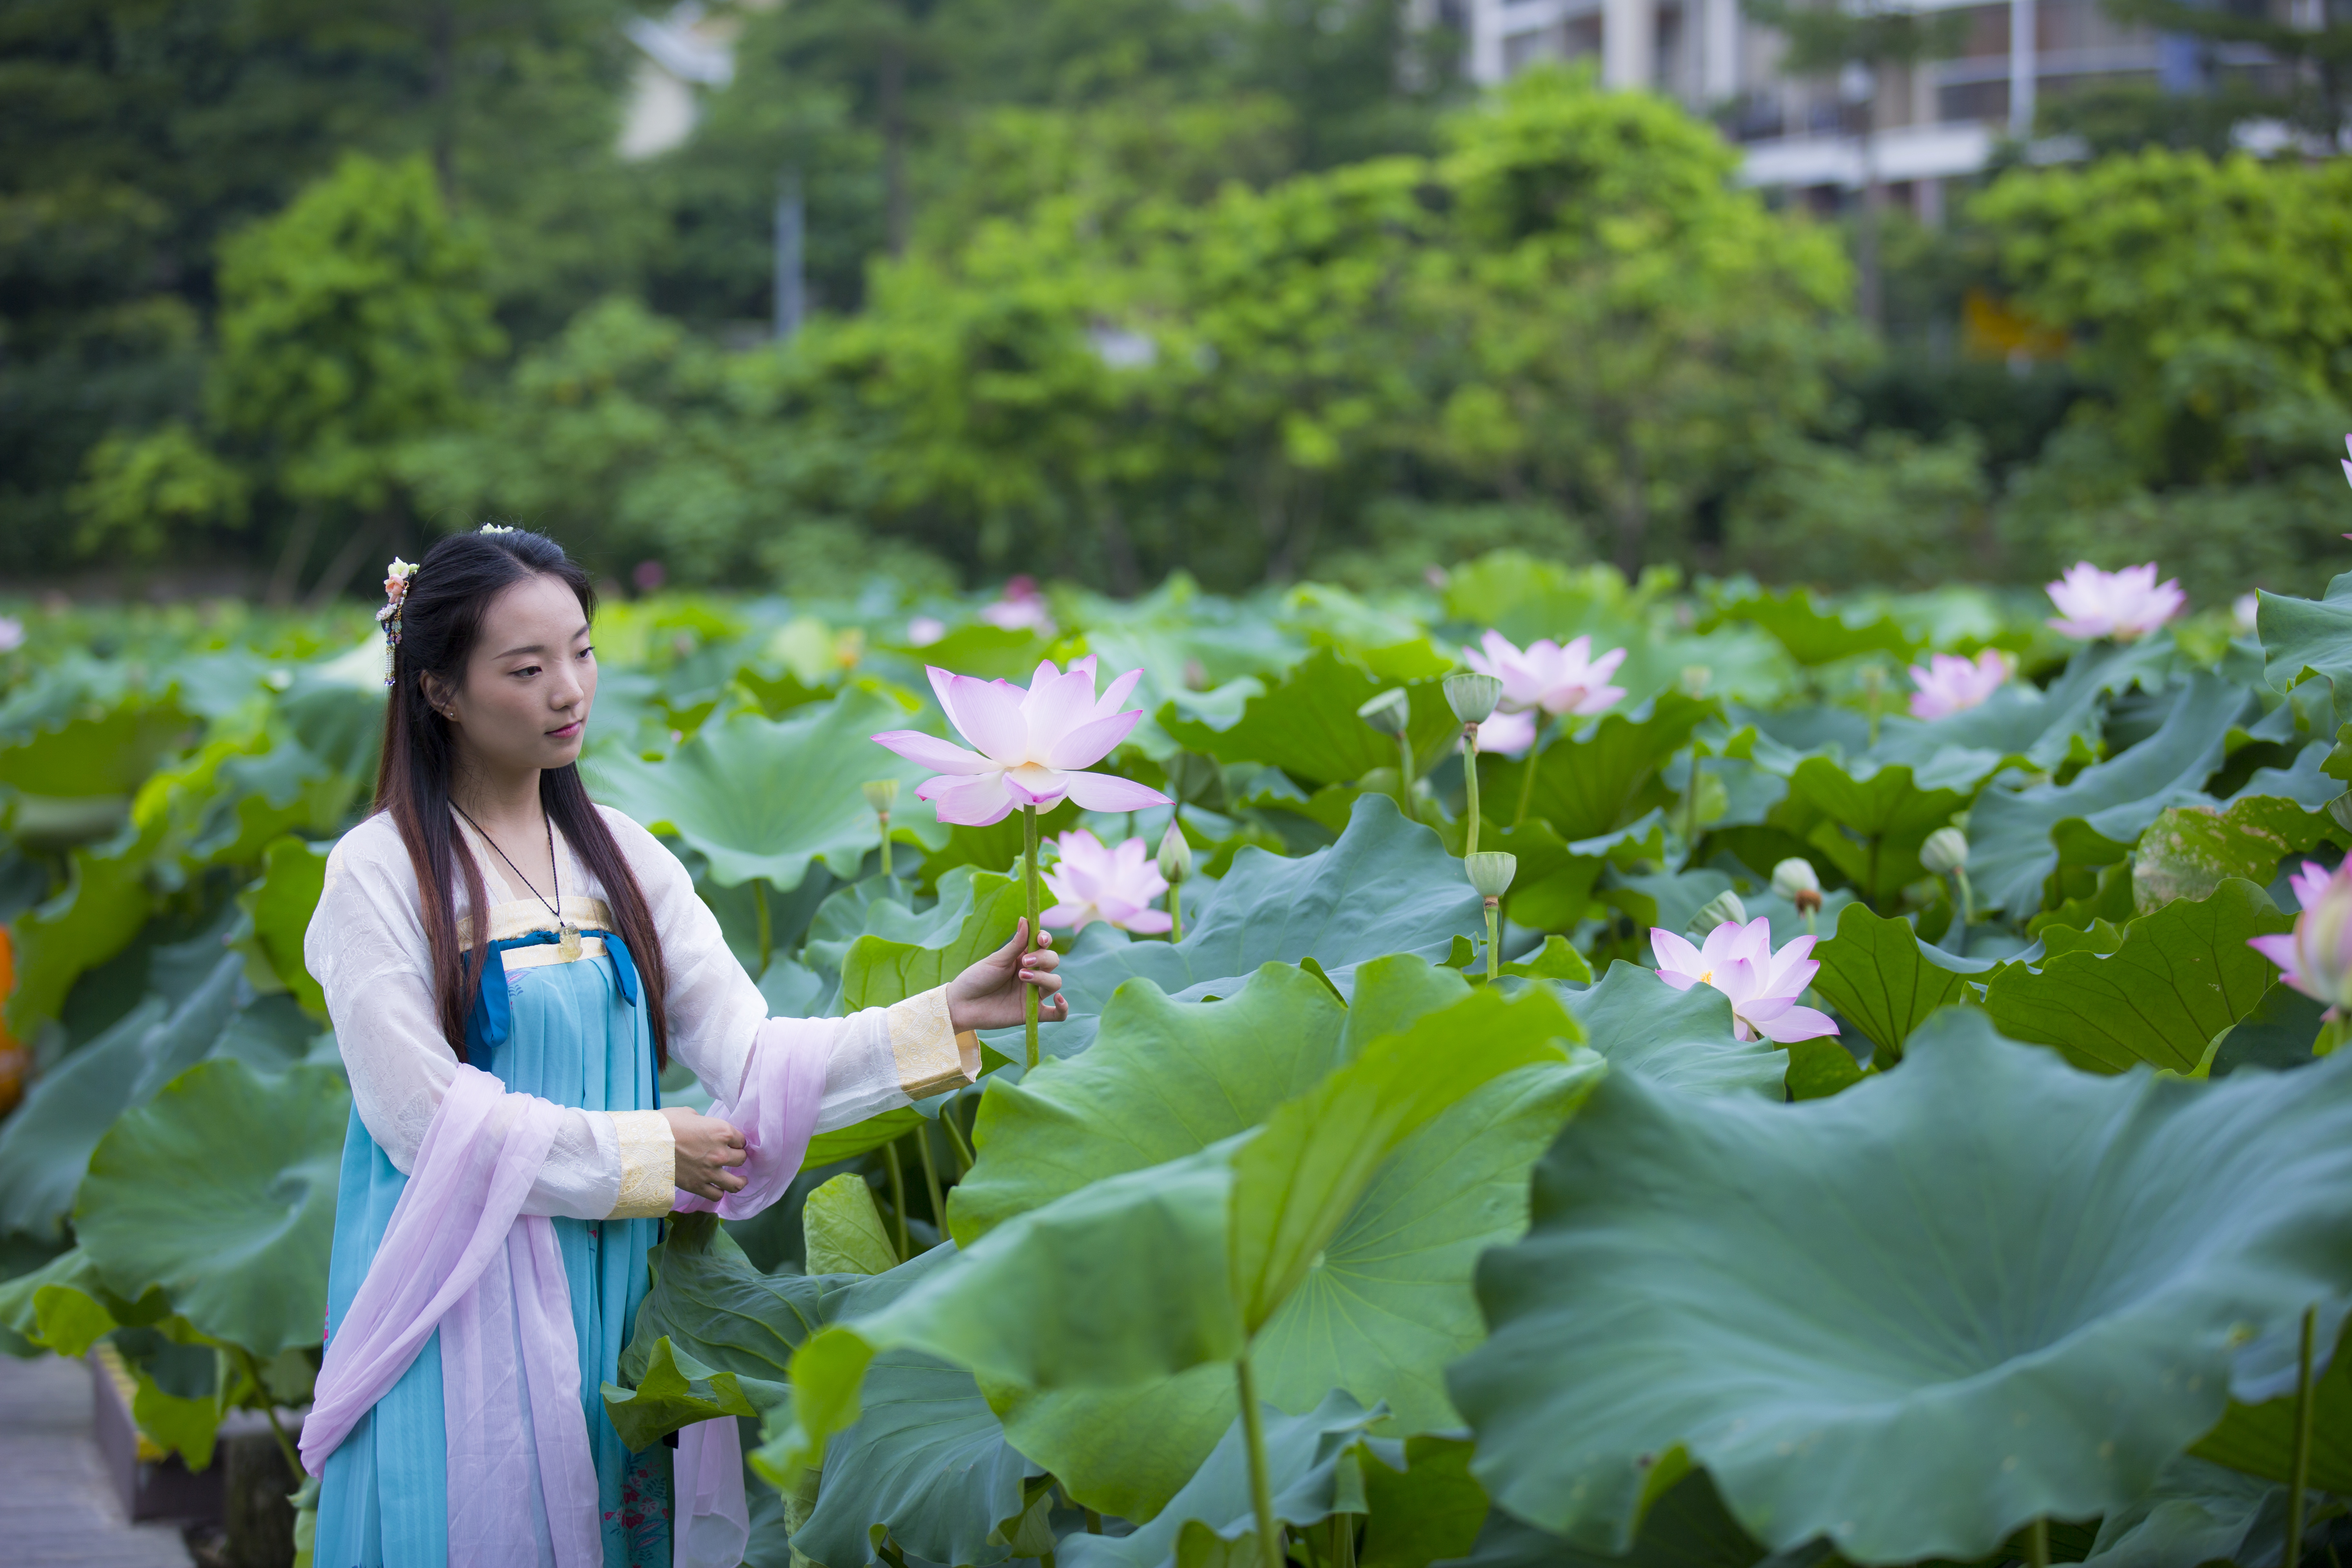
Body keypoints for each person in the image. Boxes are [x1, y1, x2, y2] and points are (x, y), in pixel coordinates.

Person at [297, 527, 1065, 1567]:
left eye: (582, 650)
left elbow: (752, 1058)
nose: (569, 689)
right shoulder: (379, 875)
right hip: (461, 1283)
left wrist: (942, 1016)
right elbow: (419, 1117)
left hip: (628, 1283)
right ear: (439, 690)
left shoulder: (624, 857)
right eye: (527, 669)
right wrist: (648, 1156)